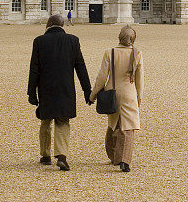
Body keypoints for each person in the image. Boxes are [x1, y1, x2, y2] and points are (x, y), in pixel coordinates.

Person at [27, 14, 92, 172]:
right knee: (63, 122)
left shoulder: (39, 41)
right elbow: (80, 67)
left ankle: (45, 155)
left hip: (46, 88)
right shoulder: (72, 40)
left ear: (49, 24)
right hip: (65, 88)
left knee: (45, 121)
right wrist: (87, 90)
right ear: (62, 25)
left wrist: (31, 93)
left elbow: (34, 69)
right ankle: (62, 156)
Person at [89, 25, 143, 172]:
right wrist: (139, 98)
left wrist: (93, 94)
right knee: (128, 128)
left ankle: (113, 156)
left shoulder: (110, 52)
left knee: (113, 124)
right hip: (129, 93)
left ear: (119, 37)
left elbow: (101, 77)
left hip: (112, 92)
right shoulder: (137, 53)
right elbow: (140, 80)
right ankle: (124, 160)